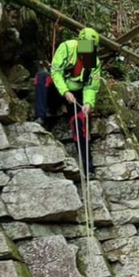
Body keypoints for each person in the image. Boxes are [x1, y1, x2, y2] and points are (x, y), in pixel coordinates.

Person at [34, 27, 101, 175]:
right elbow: (56, 72)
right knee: (42, 78)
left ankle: (87, 166)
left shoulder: (92, 61)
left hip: (76, 94)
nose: (86, 51)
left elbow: (91, 86)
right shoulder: (67, 48)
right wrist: (65, 92)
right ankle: (40, 116)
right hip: (59, 89)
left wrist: (88, 103)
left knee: (81, 121)